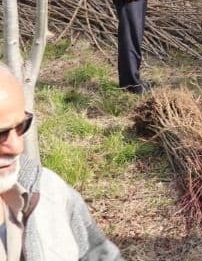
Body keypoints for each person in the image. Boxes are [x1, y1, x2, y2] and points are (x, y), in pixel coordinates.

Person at [0, 67, 123, 259]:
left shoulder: (49, 190)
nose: (17, 147)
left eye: (21, 126)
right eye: (0, 134)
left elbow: (99, 254)